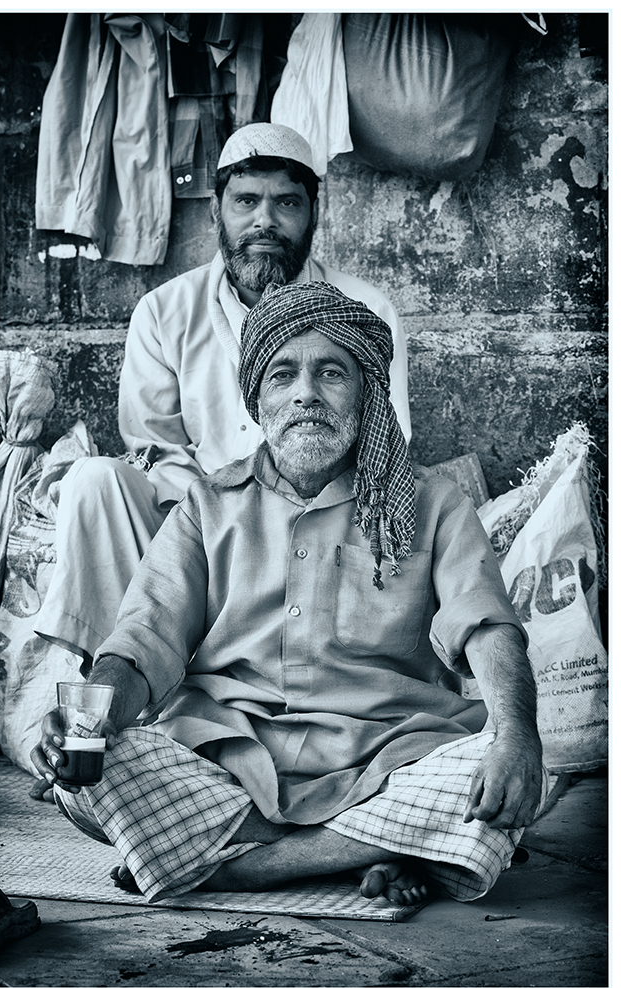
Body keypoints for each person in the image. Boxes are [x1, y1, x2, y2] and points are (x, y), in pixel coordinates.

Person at [32, 281, 546, 907]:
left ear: (368, 394)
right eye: (283, 375)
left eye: (332, 373)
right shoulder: (206, 505)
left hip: (391, 761)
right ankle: (374, 850)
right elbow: (143, 638)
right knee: (87, 775)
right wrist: (95, 722)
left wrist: (518, 737)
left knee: (506, 773)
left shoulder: (434, 503)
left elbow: (487, 626)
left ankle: (245, 865)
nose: (306, 393)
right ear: (257, 396)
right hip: (229, 764)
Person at [34, 122, 410, 671]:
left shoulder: (364, 309)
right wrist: (224, 520)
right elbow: (155, 450)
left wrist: (286, 514)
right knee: (95, 481)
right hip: (194, 531)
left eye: (286, 202)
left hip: (326, 527)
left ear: (313, 214)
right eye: (246, 201)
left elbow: (387, 445)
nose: (265, 220)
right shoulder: (164, 313)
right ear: (217, 212)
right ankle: (105, 688)